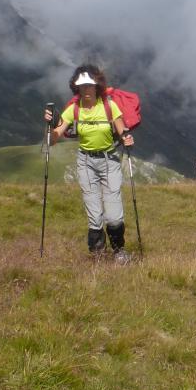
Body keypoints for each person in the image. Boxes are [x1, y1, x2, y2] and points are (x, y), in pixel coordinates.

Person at [44, 64, 136, 262]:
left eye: (90, 85)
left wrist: (127, 139)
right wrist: (50, 125)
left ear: (97, 86)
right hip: (85, 162)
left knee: (114, 216)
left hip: (109, 160)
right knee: (94, 215)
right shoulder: (73, 110)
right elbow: (53, 139)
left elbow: (123, 132)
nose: (86, 89)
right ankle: (97, 255)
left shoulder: (110, 106)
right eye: (82, 86)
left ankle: (119, 250)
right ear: (76, 87)